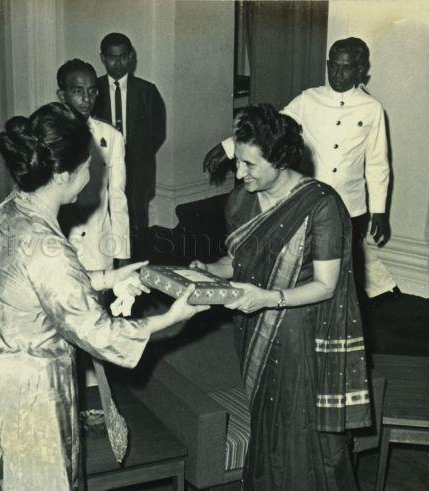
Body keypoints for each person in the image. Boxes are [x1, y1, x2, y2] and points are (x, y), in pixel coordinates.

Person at [0, 102, 207, 489]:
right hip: (29, 396)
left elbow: (37, 287)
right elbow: (100, 334)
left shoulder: (6, 213)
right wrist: (174, 316)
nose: (91, 174)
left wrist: (110, 276)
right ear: (60, 175)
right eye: (87, 165)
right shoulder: (47, 246)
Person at [193, 105, 370, 489]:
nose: (240, 173)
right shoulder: (241, 200)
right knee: (267, 426)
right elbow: (235, 262)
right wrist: (208, 270)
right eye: (238, 161)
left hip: (300, 333)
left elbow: (326, 284)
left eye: (250, 165)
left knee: (301, 433)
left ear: (280, 160)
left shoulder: (321, 205)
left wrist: (267, 298)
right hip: (254, 324)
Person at [204, 37, 396, 299]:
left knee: (348, 274)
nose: (337, 74)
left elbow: (377, 162)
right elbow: (270, 127)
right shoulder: (310, 98)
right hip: (311, 201)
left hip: (352, 206)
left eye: (346, 68)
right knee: (310, 270)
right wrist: (228, 147)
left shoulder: (372, 109)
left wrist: (379, 211)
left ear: (360, 70)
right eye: (333, 66)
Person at [94, 32, 165, 259]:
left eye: (123, 56)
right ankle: (107, 261)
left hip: (137, 167)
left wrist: (135, 156)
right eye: (112, 57)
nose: (118, 62)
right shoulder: (93, 90)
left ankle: (138, 265)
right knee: (104, 214)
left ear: (131, 57)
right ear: (103, 58)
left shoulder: (147, 90)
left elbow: (157, 132)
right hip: (102, 165)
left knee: (136, 218)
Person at [57, 58, 129, 272]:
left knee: (100, 302)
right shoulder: (50, 135)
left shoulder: (111, 137)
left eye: (92, 91)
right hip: (60, 240)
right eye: (78, 91)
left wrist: (122, 252)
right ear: (62, 95)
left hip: (98, 243)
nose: (86, 98)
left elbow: (118, 197)